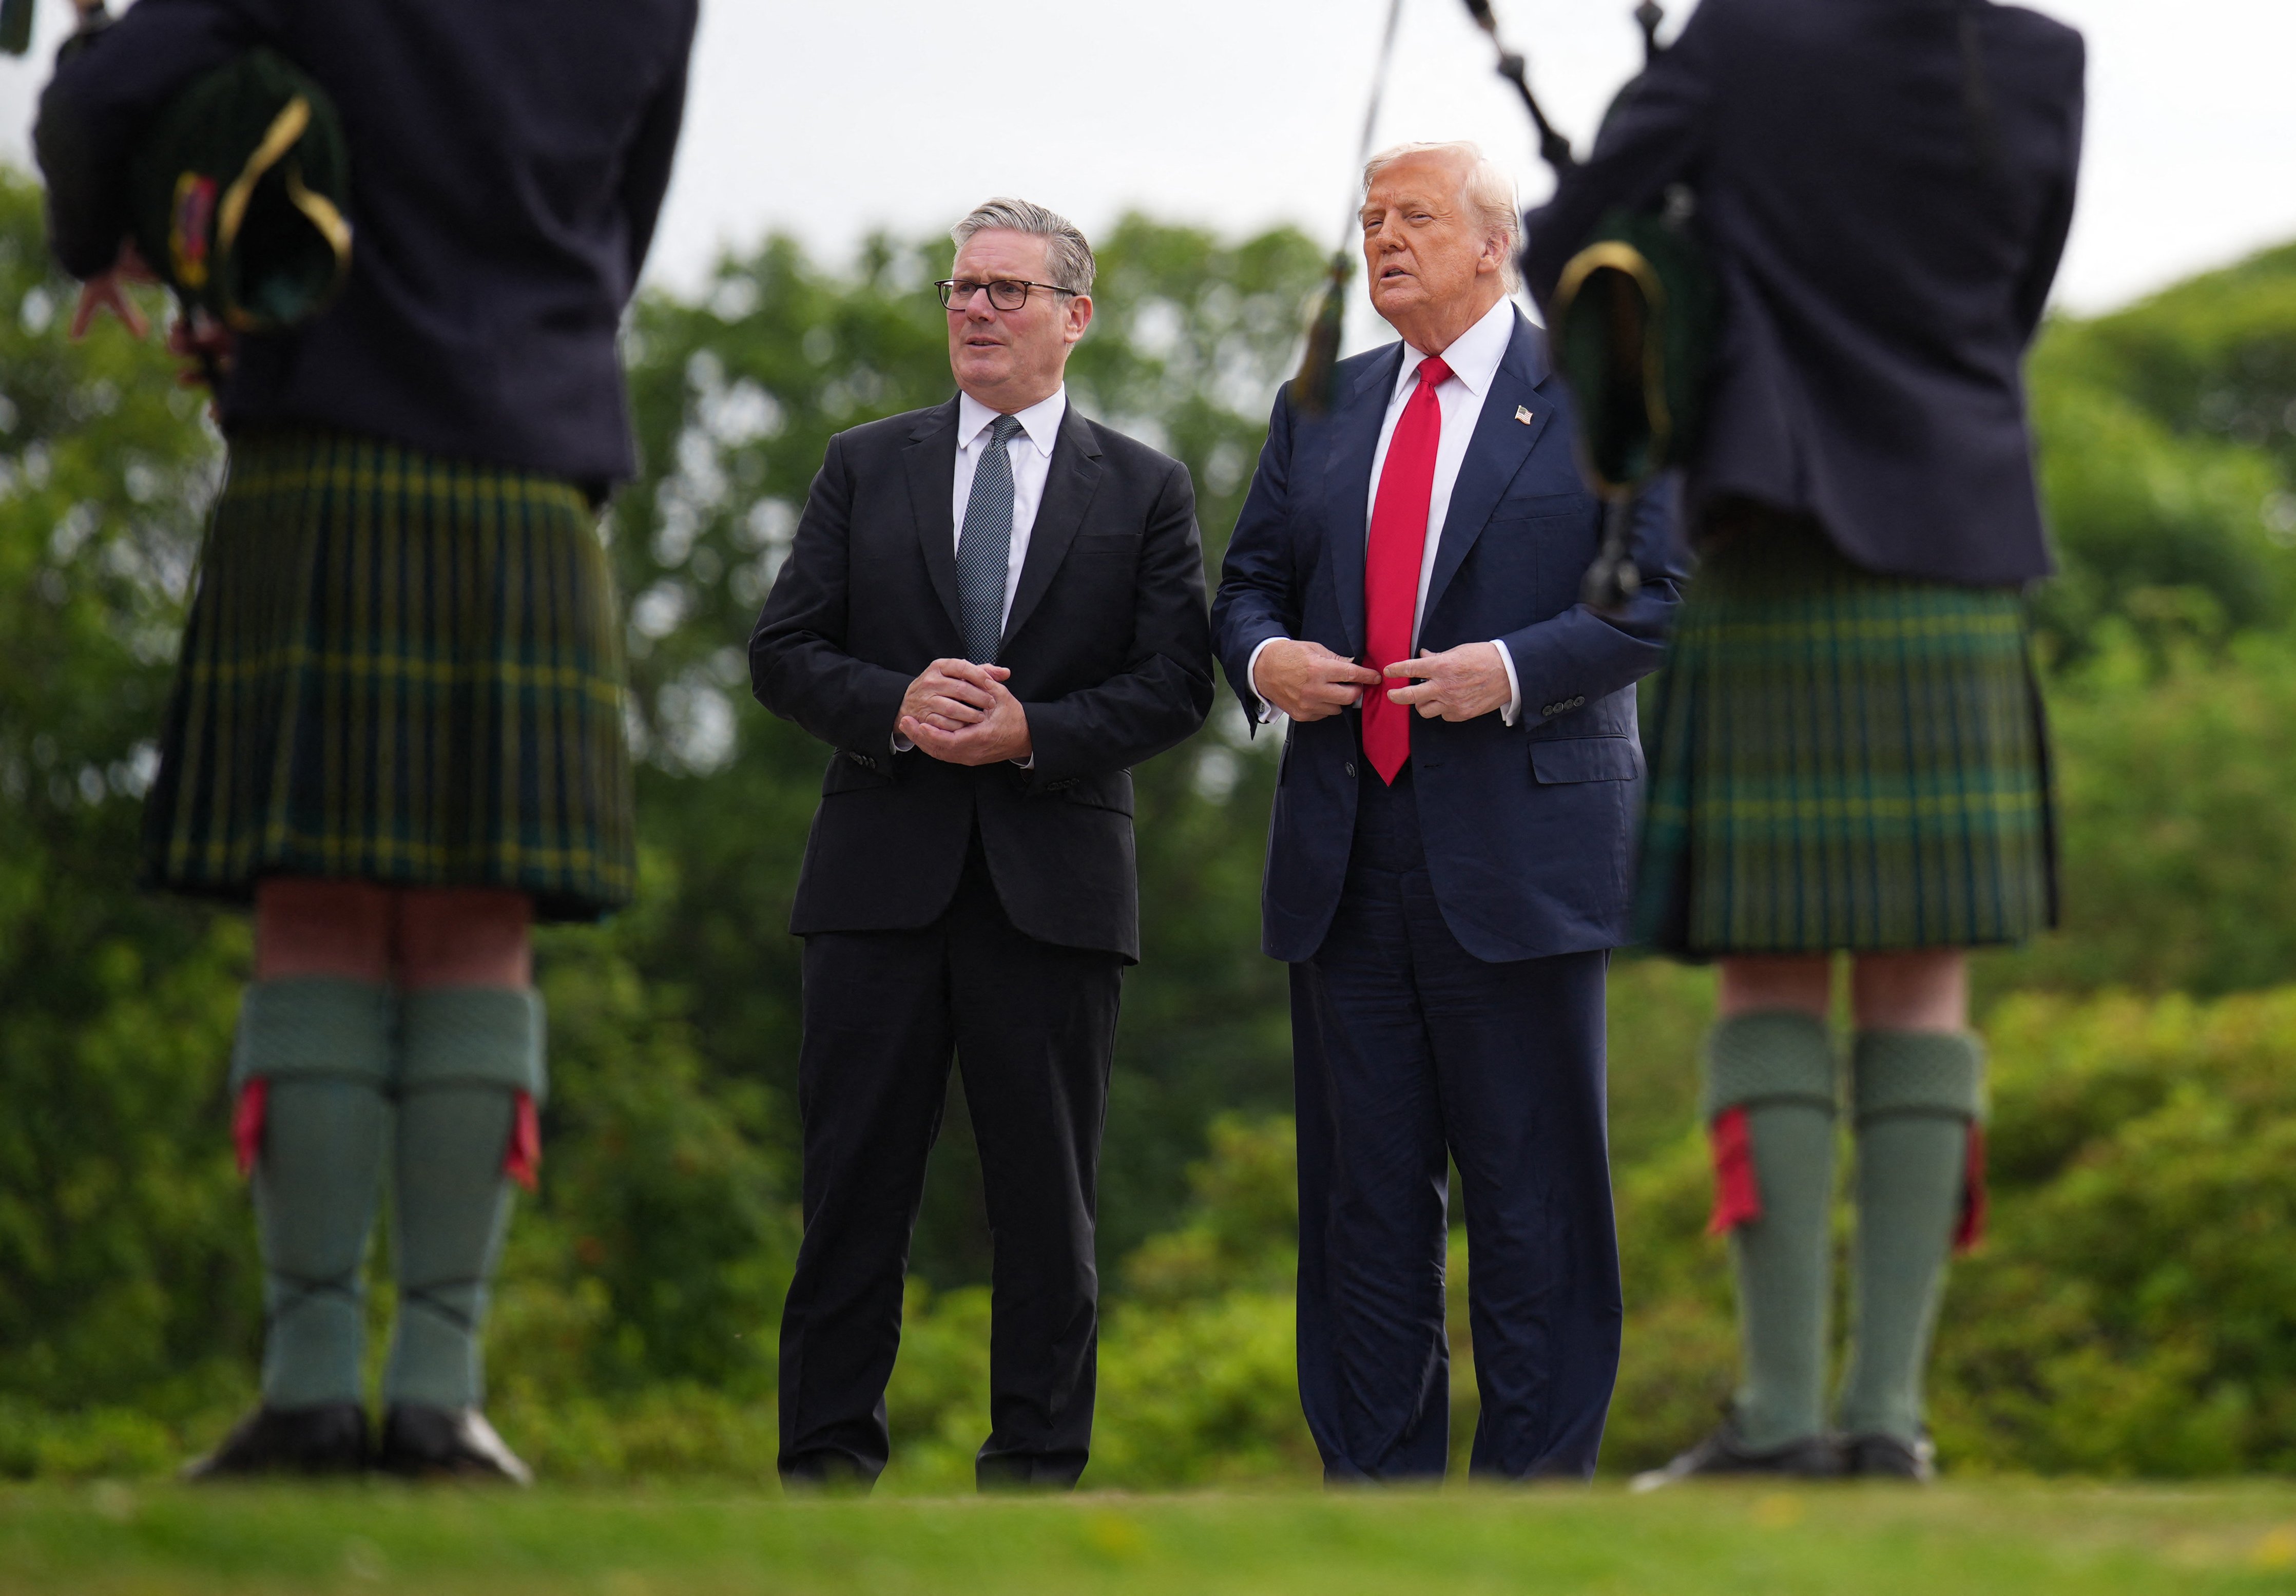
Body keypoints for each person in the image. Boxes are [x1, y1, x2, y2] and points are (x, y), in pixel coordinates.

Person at [37, 0, 699, 1480]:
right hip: (532, 460)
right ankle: (443, 1402)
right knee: (481, 929)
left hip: (329, 433)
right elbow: (620, 222)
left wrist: (152, 253)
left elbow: (94, 107)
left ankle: (311, 1392)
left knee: (318, 917)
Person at [1523, 0, 2085, 1484]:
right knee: (1924, 983)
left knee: (1769, 973)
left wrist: (1692, 281)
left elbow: (1569, 243)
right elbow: (2011, 303)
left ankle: (1778, 1420)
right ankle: (1888, 1421)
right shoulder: (2042, 59)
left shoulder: (1740, 41)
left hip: (1776, 531)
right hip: (1959, 529)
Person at [1212, 142, 1681, 1481]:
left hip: (1524, 858)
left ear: (1494, 243)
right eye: (1370, 219)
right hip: (1343, 857)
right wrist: (1267, 660)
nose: (1383, 239)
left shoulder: (1596, 393)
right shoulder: (1319, 403)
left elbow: (1662, 596)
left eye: (1413, 216)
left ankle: (1529, 1504)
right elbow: (1245, 585)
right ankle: (1376, 1501)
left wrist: (1511, 671)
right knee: (1361, 1207)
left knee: (1534, 1206)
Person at [749, 198, 1213, 1492]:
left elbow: (1177, 683)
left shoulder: (1146, 486)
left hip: (1052, 890)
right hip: (875, 884)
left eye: (1007, 290)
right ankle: (824, 1471)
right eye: (961, 287)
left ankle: (1034, 1479)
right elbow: (783, 651)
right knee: (851, 1198)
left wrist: (1033, 732)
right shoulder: (863, 463)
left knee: (1046, 1208)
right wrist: (894, 704)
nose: (975, 309)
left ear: (1075, 316)